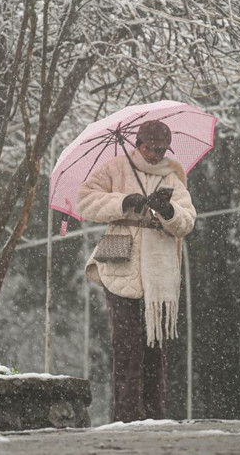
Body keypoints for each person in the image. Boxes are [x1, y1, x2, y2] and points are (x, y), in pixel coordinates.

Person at [77, 119, 196, 423]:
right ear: (139, 144)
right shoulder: (116, 168)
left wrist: (167, 211)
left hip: (158, 264)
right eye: (152, 148)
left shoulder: (171, 177)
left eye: (162, 150)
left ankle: (154, 413)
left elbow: (188, 220)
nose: (157, 154)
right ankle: (127, 414)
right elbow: (85, 201)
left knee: (154, 346)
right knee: (126, 343)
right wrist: (122, 202)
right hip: (119, 253)